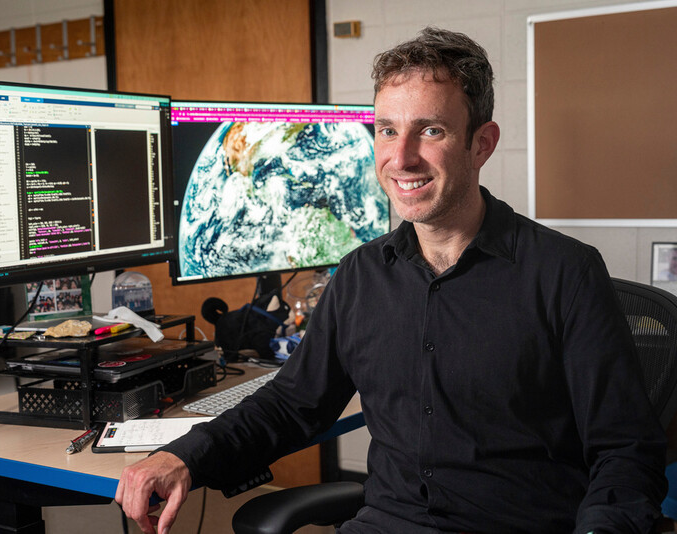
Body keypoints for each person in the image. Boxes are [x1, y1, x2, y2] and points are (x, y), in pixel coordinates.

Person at [115, 27, 667, 534]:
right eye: (386, 130)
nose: (401, 158)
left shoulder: (566, 272)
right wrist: (184, 455)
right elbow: (292, 404)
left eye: (431, 130)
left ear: (481, 143)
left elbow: (624, 452)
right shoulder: (360, 275)